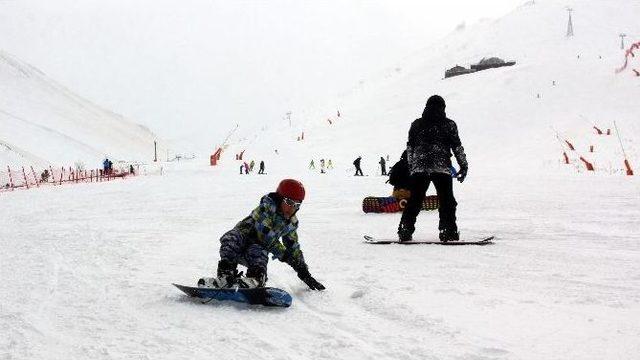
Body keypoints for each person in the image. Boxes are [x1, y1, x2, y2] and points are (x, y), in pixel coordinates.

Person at [198, 179, 325, 290]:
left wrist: (303, 271)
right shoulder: (265, 209)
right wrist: (286, 256)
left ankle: (254, 279)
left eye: (297, 204)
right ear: (280, 198)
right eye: (289, 202)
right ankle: (225, 275)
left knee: (258, 249)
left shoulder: (291, 223)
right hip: (239, 245)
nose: (293, 208)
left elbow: (293, 247)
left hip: (254, 252)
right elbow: (266, 237)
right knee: (232, 237)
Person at [398, 95, 468, 242]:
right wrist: (463, 165)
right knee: (446, 200)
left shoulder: (416, 124)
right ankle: (447, 230)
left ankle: (405, 228)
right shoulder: (449, 125)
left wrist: (412, 167)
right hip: (441, 166)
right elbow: (457, 147)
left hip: (419, 167)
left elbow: (410, 147)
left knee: (415, 199)